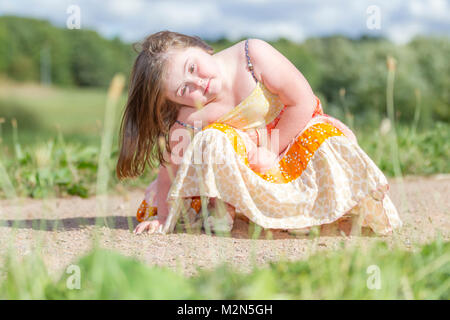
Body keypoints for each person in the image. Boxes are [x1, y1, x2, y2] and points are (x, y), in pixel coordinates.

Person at [116, 31, 402, 236]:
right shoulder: (191, 117)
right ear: (176, 102)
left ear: (202, 47)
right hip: (251, 163)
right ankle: (238, 211)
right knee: (212, 139)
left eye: (192, 67)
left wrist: (271, 150)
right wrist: (164, 218)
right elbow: (170, 172)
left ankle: (314, 209)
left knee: (328, 142)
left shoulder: (252, 56)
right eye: (183, 90)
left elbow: (301, 100)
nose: (197, 83)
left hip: (297, 132)